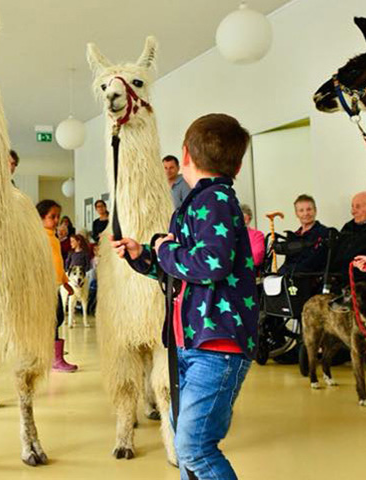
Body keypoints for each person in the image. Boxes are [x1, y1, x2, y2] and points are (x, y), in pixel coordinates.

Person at [112, 113, 258, 480]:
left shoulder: (216, 200)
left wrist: (162, 249)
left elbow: (211, 263)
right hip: (191, 343)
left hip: (217, 346)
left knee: (195, 446)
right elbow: (181, 272)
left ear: (185, 156)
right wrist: (142, 255)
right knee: (185, 439)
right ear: (238, 164)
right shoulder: (194, 206)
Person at [38, 199, 78, 372]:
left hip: (55, 285)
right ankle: (54, 358)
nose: (56, 221)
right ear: (41, 218)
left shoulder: (53, 237)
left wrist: (65, 282)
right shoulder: (38, 236)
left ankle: (53, 355)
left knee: (58, 318)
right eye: (51, 217)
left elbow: (58, 262)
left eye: (58, 217)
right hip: (43, 286)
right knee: (52, 320)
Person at [278, 194, 332, 275]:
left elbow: (315, 262)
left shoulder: (325, 233)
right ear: (296, 213)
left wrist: (289, 272)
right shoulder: (293, 236)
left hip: (311, 278)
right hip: (291, 277)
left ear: (315, 210)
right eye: (301, 210)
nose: (306, 213)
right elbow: (288, 262)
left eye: (309, 209)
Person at [240, 204, 266, 270]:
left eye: (244, 218)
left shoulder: (257, 235)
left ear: (248, 219)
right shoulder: (230, 235)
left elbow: (257, 258)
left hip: (249, 272)